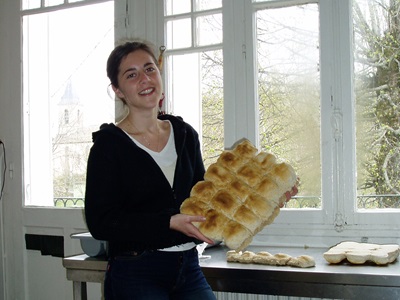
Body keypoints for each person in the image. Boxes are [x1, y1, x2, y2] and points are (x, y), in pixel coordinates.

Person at [84, 40, 217, 300]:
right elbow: (101, 222)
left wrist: (268, 197)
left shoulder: (185, 134)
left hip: (188, 267)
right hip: (136, 271)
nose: (144, 79)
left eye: (149, 69)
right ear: (118, 90)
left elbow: (205, 198)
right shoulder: (109, 145)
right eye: (131, 75)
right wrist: (168, 222)